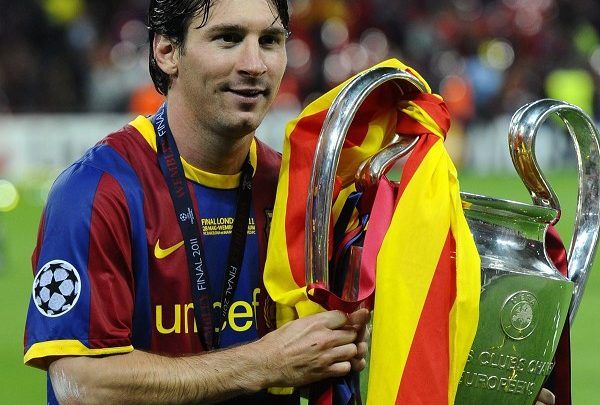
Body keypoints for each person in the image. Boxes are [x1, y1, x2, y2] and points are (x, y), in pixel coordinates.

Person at [23, 0, 555, 404]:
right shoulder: (100, 190)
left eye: (271, 40)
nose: (254, 64)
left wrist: (478, 387)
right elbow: (82, 383)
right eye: (228, 38)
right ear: (167, 51)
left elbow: (372, 353)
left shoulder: (301, 195)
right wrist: (265, 363)